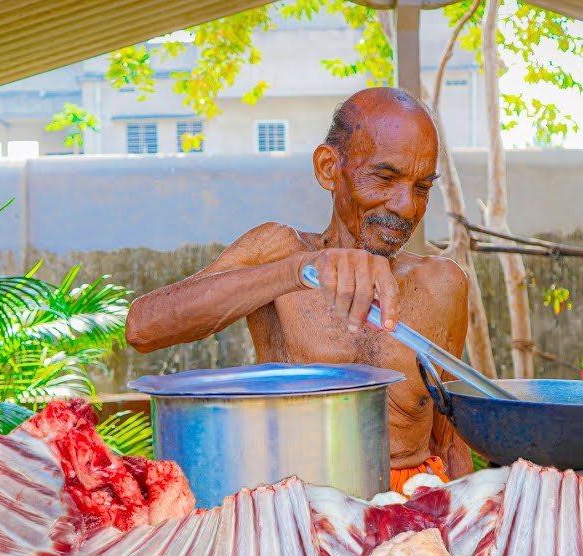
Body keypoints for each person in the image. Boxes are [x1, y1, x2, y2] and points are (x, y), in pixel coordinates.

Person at [125, 87, 473, 490]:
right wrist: (298, 271)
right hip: (300, 513)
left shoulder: (443, 284)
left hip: (410, 513)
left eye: (422, 187)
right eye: (385, 177)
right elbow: (144, 328)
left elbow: (449, 442)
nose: (406, 206)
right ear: (328, 168)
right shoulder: (277, 251)